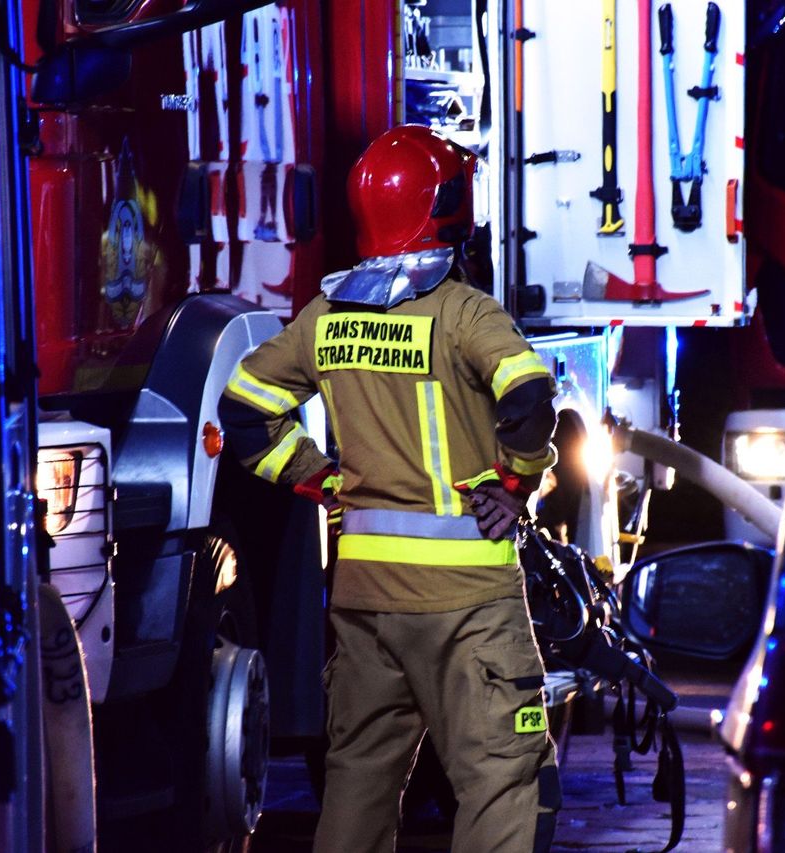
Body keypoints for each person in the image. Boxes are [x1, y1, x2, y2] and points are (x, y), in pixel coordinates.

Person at [219, 124, 561, 852]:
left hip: (365, 597)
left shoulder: (324, 319)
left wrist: (319, 479)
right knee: (501, 776)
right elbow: (530, 396)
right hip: (466, 607)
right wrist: (515, 480)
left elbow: (244, 409)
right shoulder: (464, 312)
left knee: (358, 780)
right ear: (446, 207)